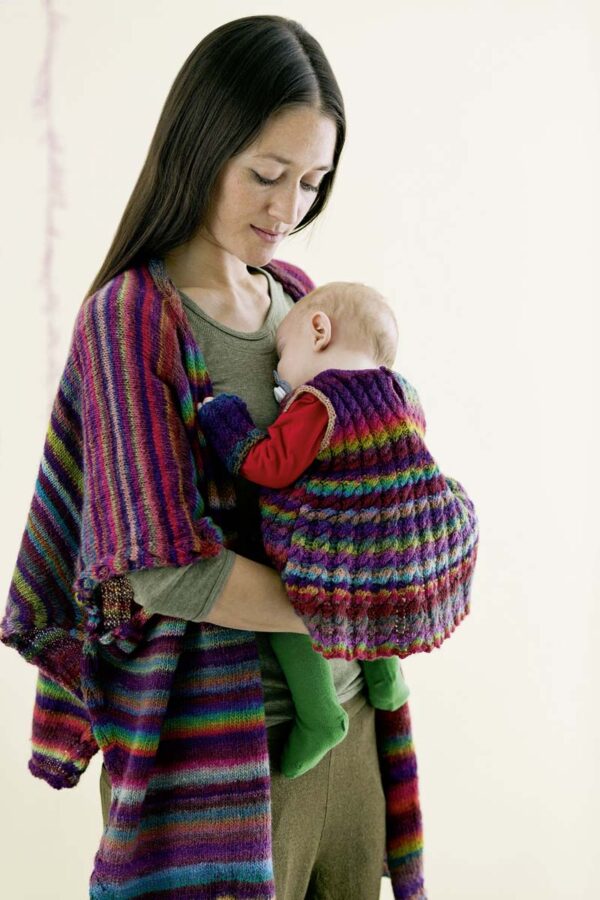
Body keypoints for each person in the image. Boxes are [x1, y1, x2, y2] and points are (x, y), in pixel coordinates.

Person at [0, 15, 478, 899]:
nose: (288, 209)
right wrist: (358, 601)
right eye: (266, 174)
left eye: (312, 182)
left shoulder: (301, 300)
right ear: (201, 147)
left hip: (358, 735)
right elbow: (160, 570)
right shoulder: (131, 320)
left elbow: (378, 459)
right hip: (223, 761)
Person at [196, 282, 418, 779]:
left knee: (293, 617)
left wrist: (229, 423)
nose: (278, 376)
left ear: (318, 331)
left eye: (281, 356)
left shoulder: (320, 401)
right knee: (370, 600)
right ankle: (386, 677)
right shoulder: (400, 391)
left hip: (326, 544)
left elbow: (272, 465)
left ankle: (320, 714)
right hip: (386, 543)